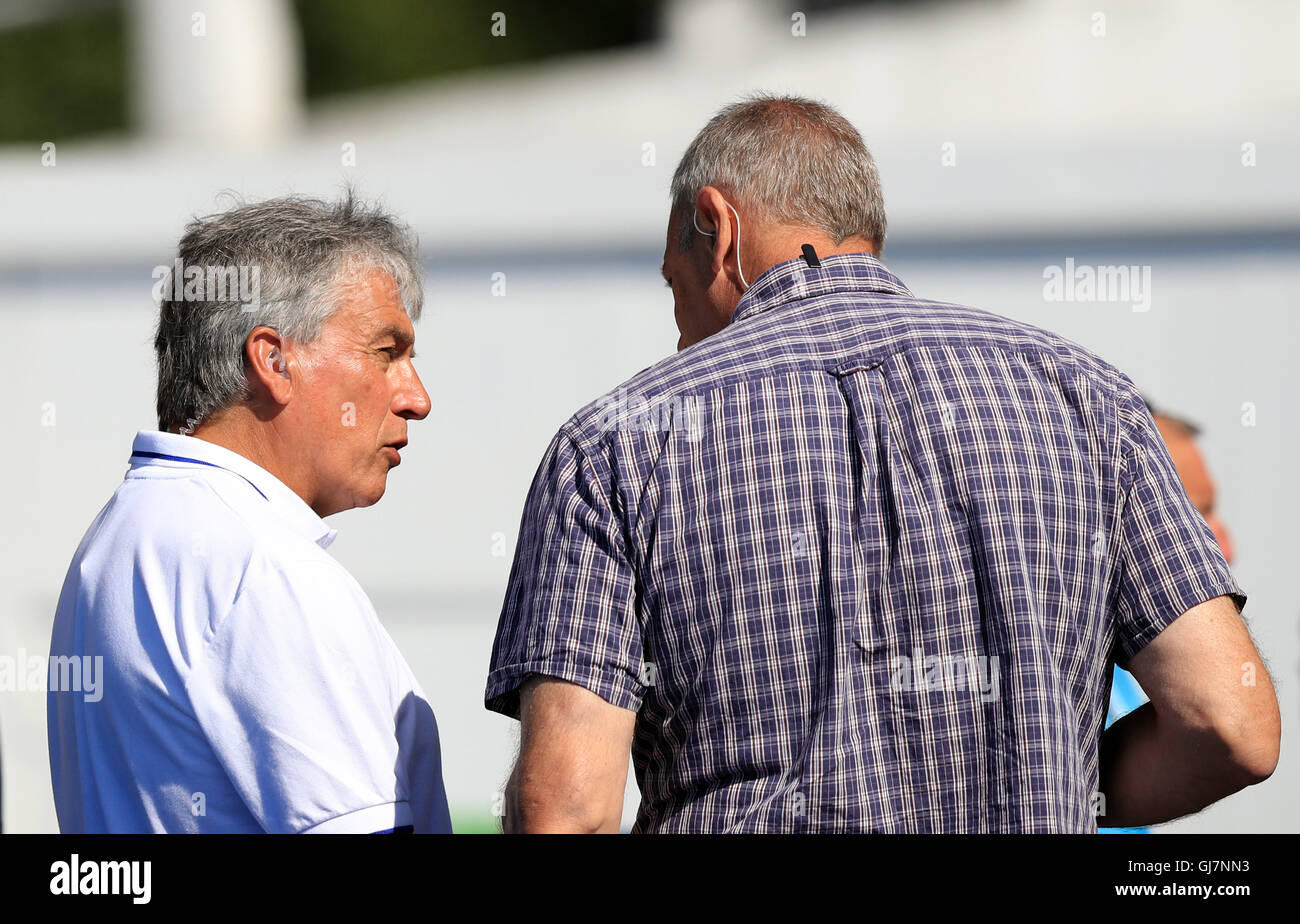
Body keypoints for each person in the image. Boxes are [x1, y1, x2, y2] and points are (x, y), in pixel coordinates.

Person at [484, 94, 1280, 833]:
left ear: (716, 227)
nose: (682, 332)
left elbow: (568, 810)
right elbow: (1232, 726)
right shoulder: (1087, 399)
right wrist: (1057, 780)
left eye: (675, 285)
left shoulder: (615, 446)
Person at [48, 193, 452, 833]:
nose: (417, 398)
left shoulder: (120, 537)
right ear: (273, 359)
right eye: (386, 351)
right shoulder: (260, 565)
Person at [1100, 401, 1239, 834]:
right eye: (1194, 517)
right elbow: (1238, 731)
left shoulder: (1142, 685)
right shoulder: (1065, 686)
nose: (1227, 549)